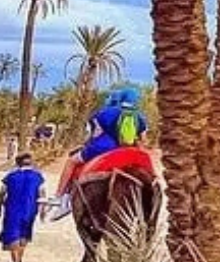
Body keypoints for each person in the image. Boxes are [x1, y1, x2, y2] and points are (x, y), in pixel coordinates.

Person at [50, 88, 149, 220]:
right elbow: (143, 140)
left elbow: (94, 134)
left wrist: (87, 145)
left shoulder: (104, 113)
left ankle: (60, 197)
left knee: (71, 161)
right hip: (127, 151)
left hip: (102, 148)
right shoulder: (140, 117)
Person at [0, 153, 45, 262]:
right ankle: (19, 259)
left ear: (17, 163)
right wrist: (43, 211)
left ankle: (16, 261)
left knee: (12, 235)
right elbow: (42, 195)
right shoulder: (38, 177)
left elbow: (1, 193)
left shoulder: (10, 176)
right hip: (30, 209)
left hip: (12, 209)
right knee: (25, 234)